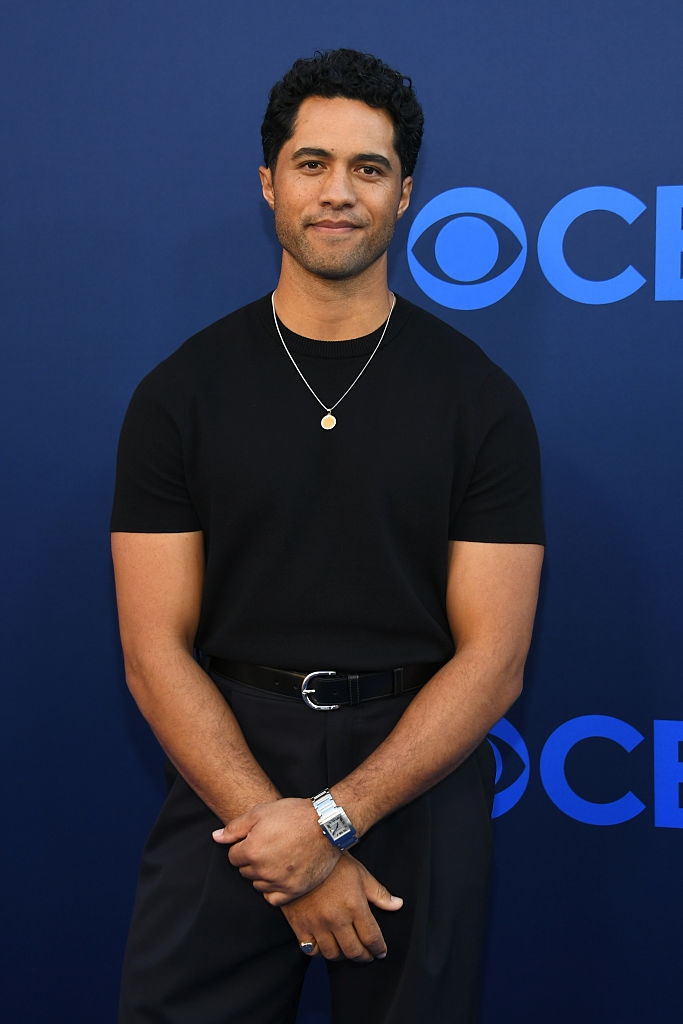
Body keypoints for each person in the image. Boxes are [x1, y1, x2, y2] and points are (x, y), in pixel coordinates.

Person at [111, 48, 544, 1024]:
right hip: (228, 779)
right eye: (311, 164)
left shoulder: (477, 401)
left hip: (412, 778)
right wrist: (279, 833)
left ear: (404, 196)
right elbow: (151, 649)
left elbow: (495, 659)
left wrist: (334, 819)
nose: (337, 192)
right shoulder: (179, 394)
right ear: (268, 182)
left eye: (368, 168)